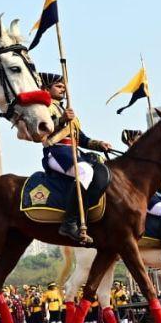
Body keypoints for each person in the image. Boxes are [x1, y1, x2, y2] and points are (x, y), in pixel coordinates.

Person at [38, 73, 114, 243]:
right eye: (58, 86)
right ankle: (69, 222)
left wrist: (99, 144)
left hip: (74, 153)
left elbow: (82, 139)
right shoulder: (43, 107)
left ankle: (84, 215)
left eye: (64, 86)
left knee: (103, 171)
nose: (63, 89)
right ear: (46, 89)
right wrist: (62, 120)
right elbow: (41, 131)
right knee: (85, 172)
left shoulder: (69, 111)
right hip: (56, 153)